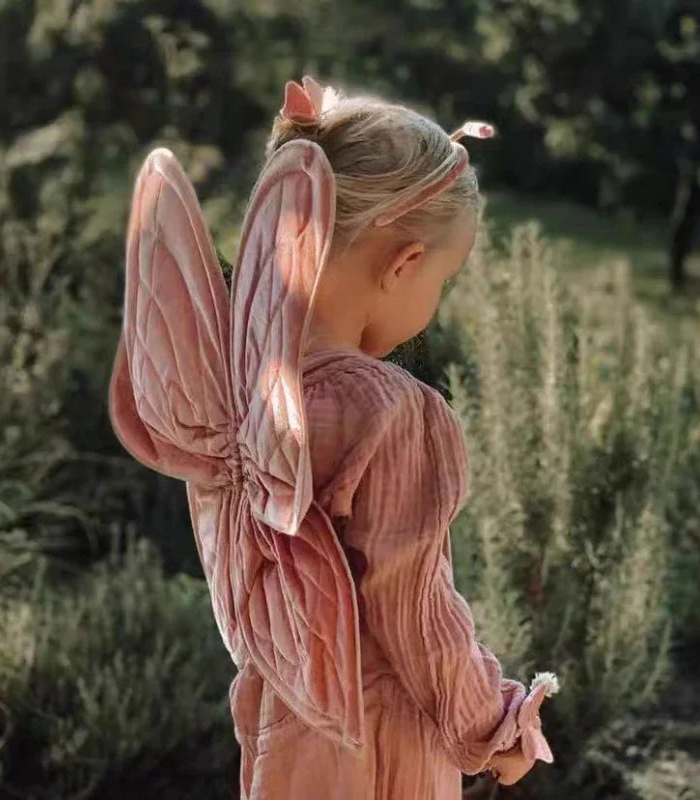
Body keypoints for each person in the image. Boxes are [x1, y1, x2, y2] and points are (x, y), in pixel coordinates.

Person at [108, 75, 559, 799]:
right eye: (441, 279)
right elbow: (416, 615)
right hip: (381, 743)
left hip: (282, 723)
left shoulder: (243, 398)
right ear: (403, 265)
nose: (433, 301)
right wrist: (494, 726)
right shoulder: (389, 411)